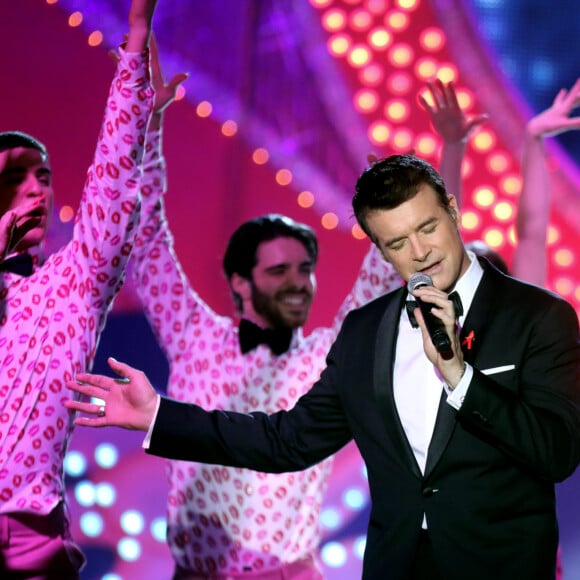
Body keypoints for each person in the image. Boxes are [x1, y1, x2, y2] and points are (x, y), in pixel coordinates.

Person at [66, 152, 580, 580]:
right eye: (398, 243)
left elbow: (556, 454)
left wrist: (460, 378)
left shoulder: (537, 317)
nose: (420, 253)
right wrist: (159, 415)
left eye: (428, 228)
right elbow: (287, 439)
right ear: (381, 250)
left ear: (453, 211)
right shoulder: (365, 333)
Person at [123, 31, 404, 580]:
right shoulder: (194, 334)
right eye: (280, 271)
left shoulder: (328, 352)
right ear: (240, 283)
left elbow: (379, 279)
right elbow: (147, 239)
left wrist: (391, 201)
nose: (299, 283)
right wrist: (147, 126)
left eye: (306, 270)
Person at [0, 0, 159, 576]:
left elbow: (113, 181)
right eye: (14, 179)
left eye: (42, 176)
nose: (36, 190)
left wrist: (135, 46)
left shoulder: (70, 285)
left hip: (32, 541)